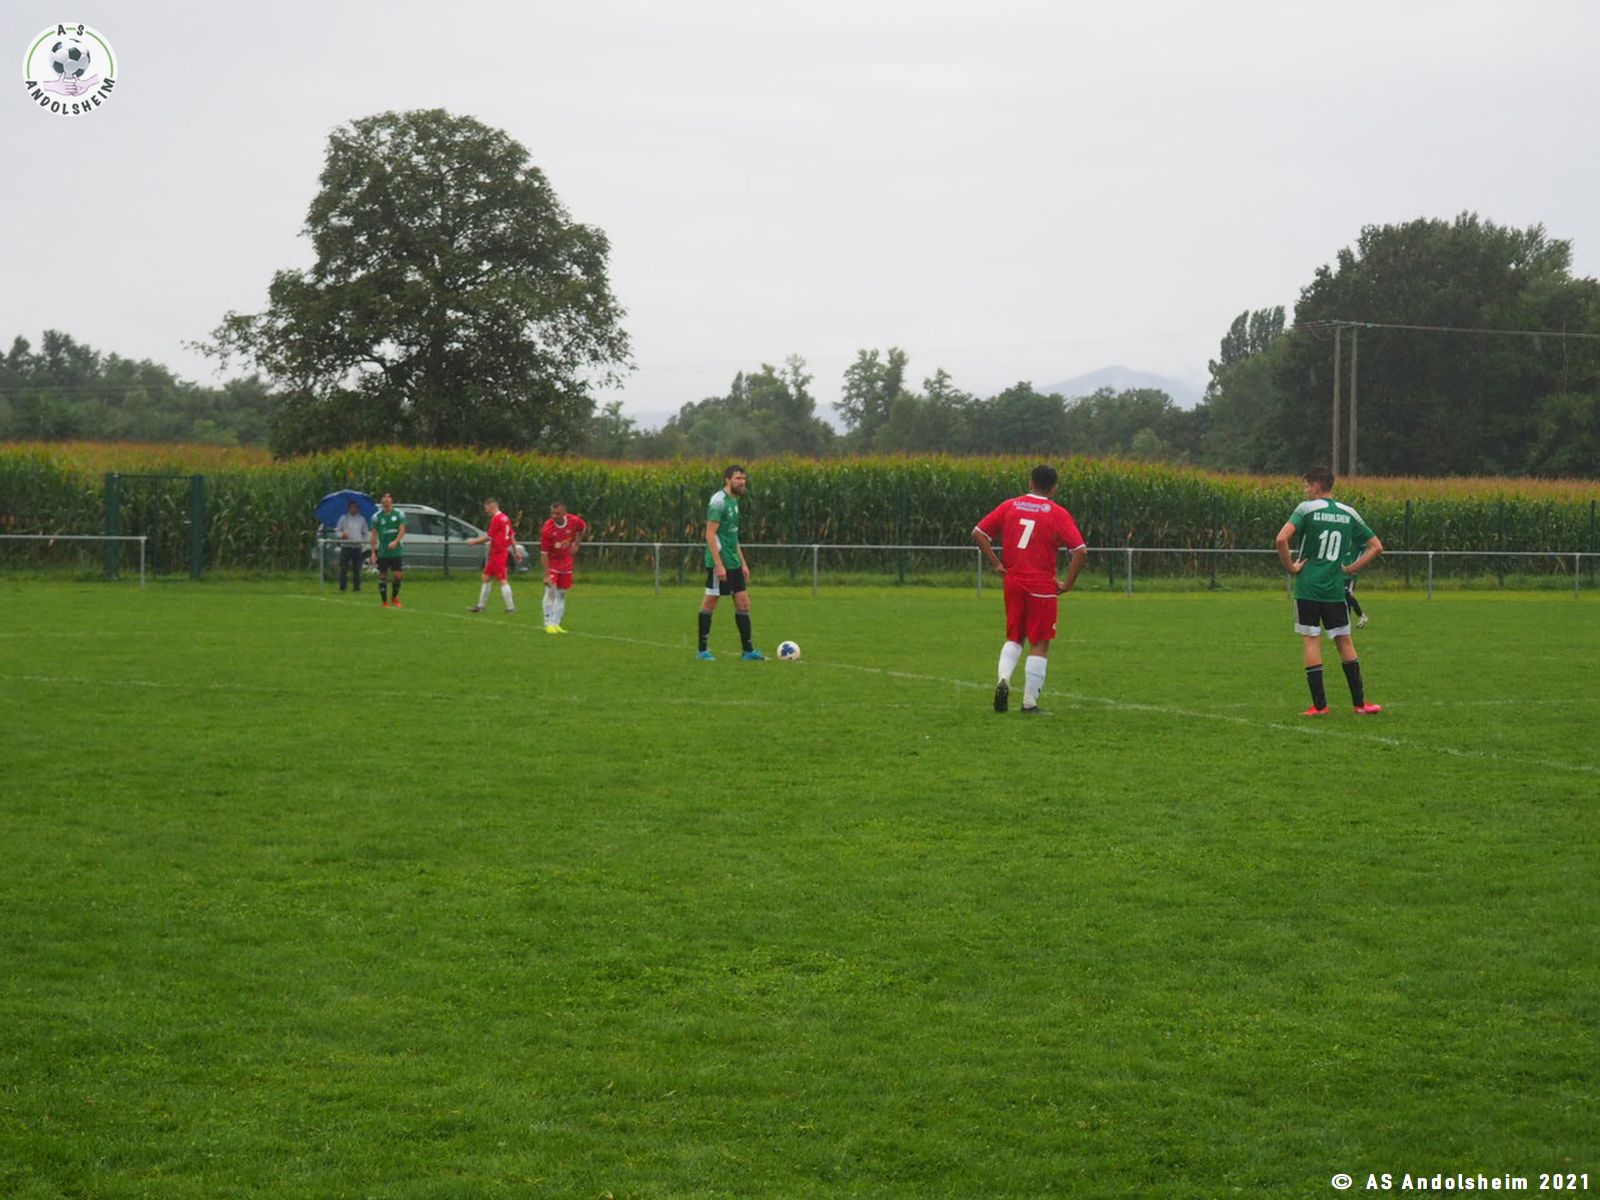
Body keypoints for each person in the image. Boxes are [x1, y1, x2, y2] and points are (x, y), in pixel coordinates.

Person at [972, 464, 1088, 714]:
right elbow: (1080, 551)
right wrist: (1067, 584)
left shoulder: (1010, 505)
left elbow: (978, 533)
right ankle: (1029, 703)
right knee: (1040, 643)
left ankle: (1004, 679)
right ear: (1054, 488)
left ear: (1030, 483)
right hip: (1041, 586)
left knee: (1015, 637)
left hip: (1013, 581)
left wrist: (996, 564)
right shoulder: (1057, 513)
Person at [1274, 466, 1384, 716]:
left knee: (1312, 640)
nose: (1305, 490)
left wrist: (1291, 567)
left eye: (1306, 485)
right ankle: (1360, 704)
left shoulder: (1306, 509)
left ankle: (1320, 706)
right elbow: (1376, 546)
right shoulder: (1348, 512)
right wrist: (1351, 568)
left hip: (1308, 588)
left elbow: (1281, 539)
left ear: (1315, 485)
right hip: (1335, 588)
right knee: (1344, 641)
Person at [697, 464, 764, 661]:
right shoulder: (718, 501)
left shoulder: (735, 501)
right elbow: (710, 535)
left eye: (743, 478)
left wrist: (743, 562)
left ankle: (748, 651)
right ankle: (702, 651)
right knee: (710, 602)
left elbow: (732, 536)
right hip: (720, 562)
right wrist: (718, 565)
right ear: (727, 480)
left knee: (743, 603)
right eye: (737, 478)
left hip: (734, 562)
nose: (742, 482)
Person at [465, 497, 522, 614]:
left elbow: (488, 537)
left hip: (499, 552)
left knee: (502, 579)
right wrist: (516, 551)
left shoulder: (496, 519)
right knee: (485, 577)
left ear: (492, 506)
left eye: (486, 508)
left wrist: (473, 542)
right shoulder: (505, 517)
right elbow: (511, 535)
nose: (486, 511)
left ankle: (511, 608)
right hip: (496, 552)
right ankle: (481, 606)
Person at [540, 500, 588, 634]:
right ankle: (548, 623)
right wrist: (546, 575)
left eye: (557, 513)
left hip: (566, 562)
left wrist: (577, 543)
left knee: (561, 593)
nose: (554, 516)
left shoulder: (574, 521)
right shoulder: (547, 529)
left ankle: (556, 623)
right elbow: (544, 554)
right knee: (550, 592)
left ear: (564, 513)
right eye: (552, 513)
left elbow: (583, 527)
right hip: (553, 562)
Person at [369, 492, 407, 608]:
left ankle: (394, 597)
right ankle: (384, 602)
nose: (386, 499)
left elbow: (402, 530)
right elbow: (374, 535)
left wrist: (395, 542)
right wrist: (373, 552)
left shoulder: (399, 514)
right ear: (381, 501)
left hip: (396, 551)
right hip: (383, 551)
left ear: (392, 500)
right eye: (384, 497)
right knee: (382, 575)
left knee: (398, 575)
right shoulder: (376, 517)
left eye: (389, 497)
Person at [334, 499, 369, 592]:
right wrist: (342, 535)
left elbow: (365, 532)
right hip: (346, 546)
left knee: (357, 568)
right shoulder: (343, 518)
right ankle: (343, 587)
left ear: (357, 508)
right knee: (344, 568)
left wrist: (363, 541)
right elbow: (337, 531)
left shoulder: (361, 519)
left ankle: (356, 587)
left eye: (355, 507)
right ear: (348, 508)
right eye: (351, 507)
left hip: (357, 547)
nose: (353, 509)